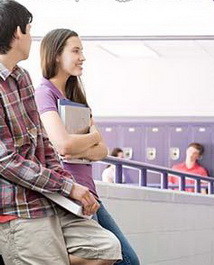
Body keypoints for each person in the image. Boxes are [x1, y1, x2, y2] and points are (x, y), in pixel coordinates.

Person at [0, 1, 121, 264]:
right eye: (29, 30)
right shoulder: (38, 90)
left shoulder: (22, 78)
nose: (32, 37)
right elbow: (6, 161)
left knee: (109, 248)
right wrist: (68, 184)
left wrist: (69, 186)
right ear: (17, 33)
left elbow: (44, 143)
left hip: (49, 198)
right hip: (19, 209)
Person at [35, 28, 140, 265]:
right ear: (55, 55)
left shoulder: (75, 96)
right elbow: (64, 145)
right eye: (76, 51)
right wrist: (90, 137)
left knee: (128, 260)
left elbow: (102, 149)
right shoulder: (44, 94)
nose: (82, 57)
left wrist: (83, 143)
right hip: (69, 196)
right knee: (125, 260)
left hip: (89, 193)